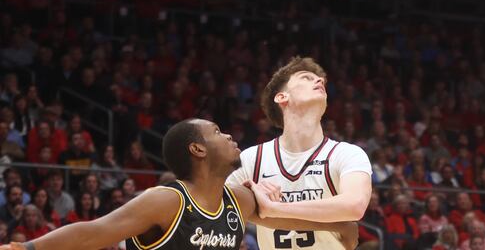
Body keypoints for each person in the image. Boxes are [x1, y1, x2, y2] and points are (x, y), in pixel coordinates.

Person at [0, 118, 358, 250]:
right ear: (198, 148)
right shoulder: (167, 200)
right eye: (217, 132)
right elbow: (94, 232)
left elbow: (282, 218)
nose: (230, 134)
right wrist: (28, 248)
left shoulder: (238, 201)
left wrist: (341, 225)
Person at [229, 56, 372, 249]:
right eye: (306, 77)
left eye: (320, 80)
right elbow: (220, 206)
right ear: (282, 97)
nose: (319, 81)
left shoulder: (347, 153)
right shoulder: (252, 158)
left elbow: (354, 205)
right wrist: (249, 198)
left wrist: (273, 209)